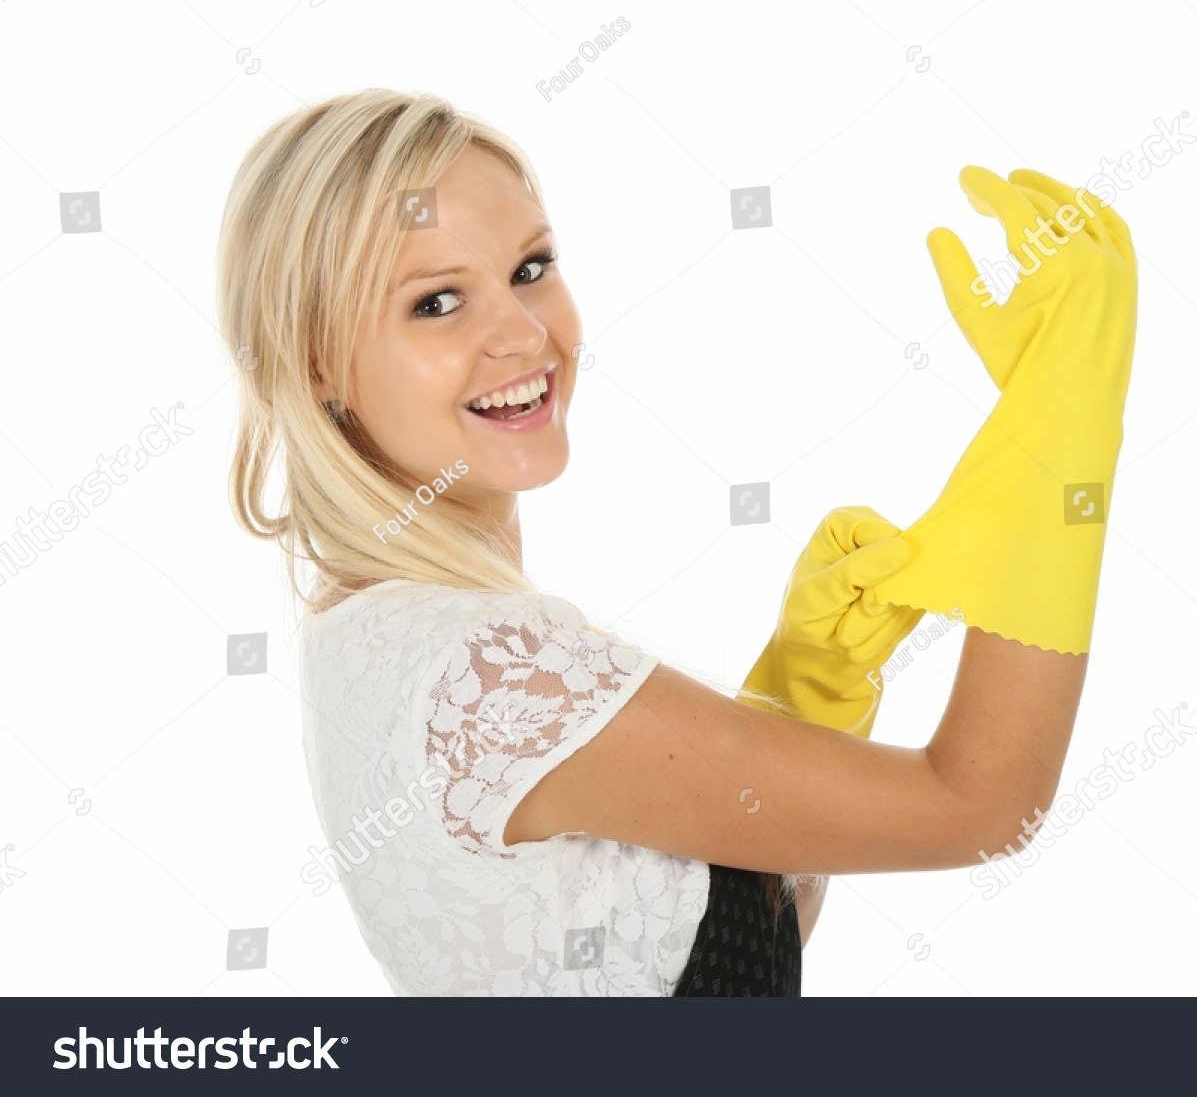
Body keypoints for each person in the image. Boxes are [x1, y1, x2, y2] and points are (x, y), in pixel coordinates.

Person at [215, 88, 1136, 996]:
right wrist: (1062, 443)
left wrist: (803, 699)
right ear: (318, 360)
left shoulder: (372, 635)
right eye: (438, 301)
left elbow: (692, 965)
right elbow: (984, 807)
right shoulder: (487, 670)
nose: (523, 333)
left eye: (530, 268)